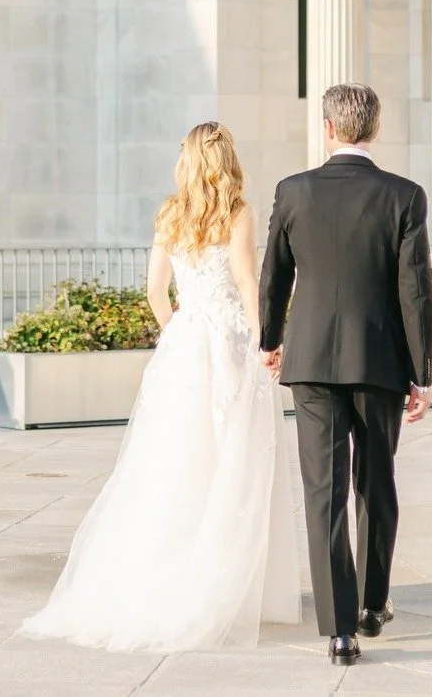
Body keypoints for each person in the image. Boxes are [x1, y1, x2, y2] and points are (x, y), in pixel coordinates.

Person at [22, 122, 300, 652]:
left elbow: (155, 291)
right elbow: (247, 285)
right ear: (226, 160)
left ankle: (160, 575)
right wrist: (267, 343)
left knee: (173, 461)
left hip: (187, 345)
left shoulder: (169, 215)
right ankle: (227, 586)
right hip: (228, 348)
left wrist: (179, 330)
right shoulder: (237, 213)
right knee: (232, 463)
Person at [259, 83, 432, 668]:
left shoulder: (292, 191)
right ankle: (373, 602)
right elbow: (415, 293)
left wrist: (269, 340)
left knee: (323, 493)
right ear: (373, 128)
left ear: (328, 128)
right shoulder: (404, 196)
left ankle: (339, 631)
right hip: (380, 361)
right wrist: (422, 372)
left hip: (309, 362)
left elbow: (273, 277)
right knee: (376, 482)